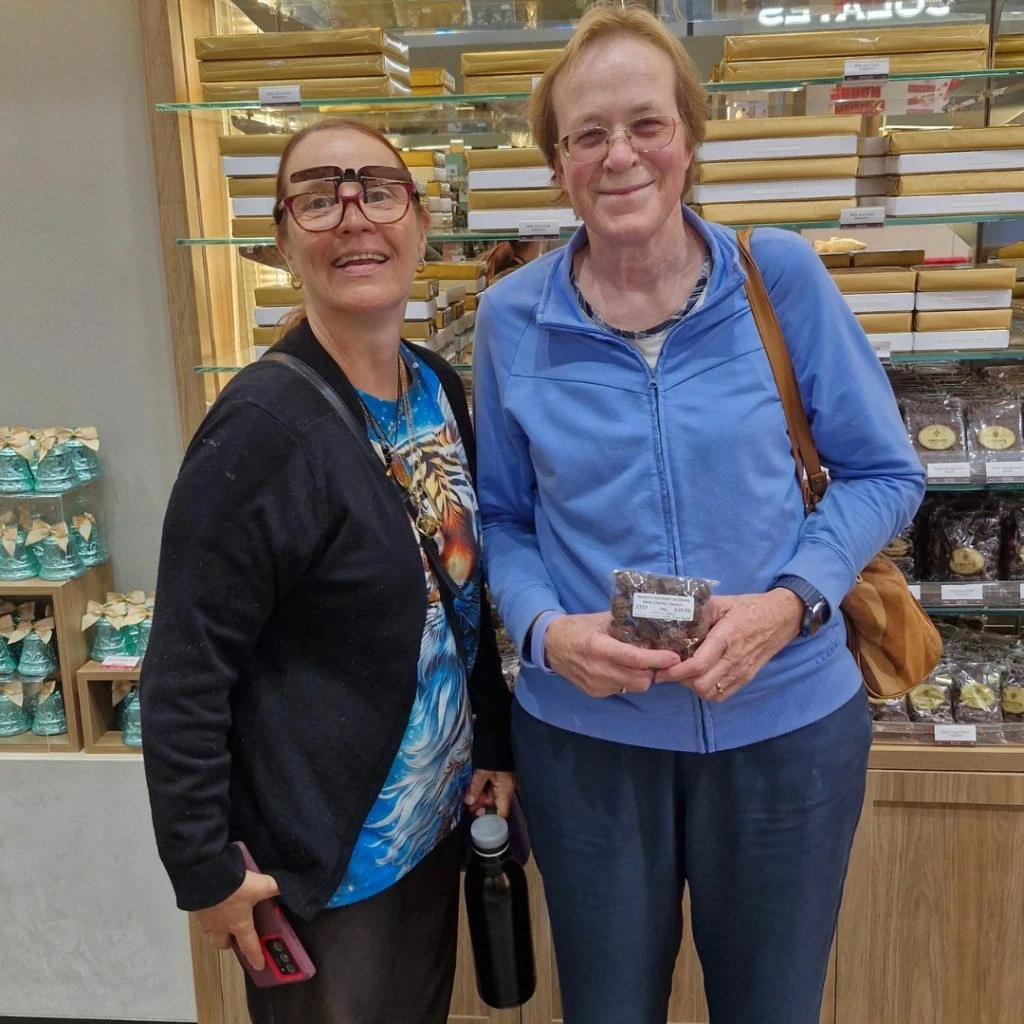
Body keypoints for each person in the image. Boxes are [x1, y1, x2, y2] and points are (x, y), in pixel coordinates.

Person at [472, 6, 925, 1024]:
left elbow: (883, 473)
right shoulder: (512, 317)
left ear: (688, 139)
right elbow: (500, 520)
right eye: (587, 134)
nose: (618, 154)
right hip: (587, 742)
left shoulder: (779, 279)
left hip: (785, 731)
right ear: (556, 164)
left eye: (645, 124)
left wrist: (792, 603)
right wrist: (547, 633)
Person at [141, 117, 515, 1024]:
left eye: (378, 190)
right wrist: (205, 870)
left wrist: (494, 748)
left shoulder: (437, 387)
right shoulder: (262, 429)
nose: (353, 216)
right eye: (318, 197)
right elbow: (184, 671)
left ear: (420, 224)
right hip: (322, 870)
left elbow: (461, 611)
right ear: (282, 241)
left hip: (432, 832)